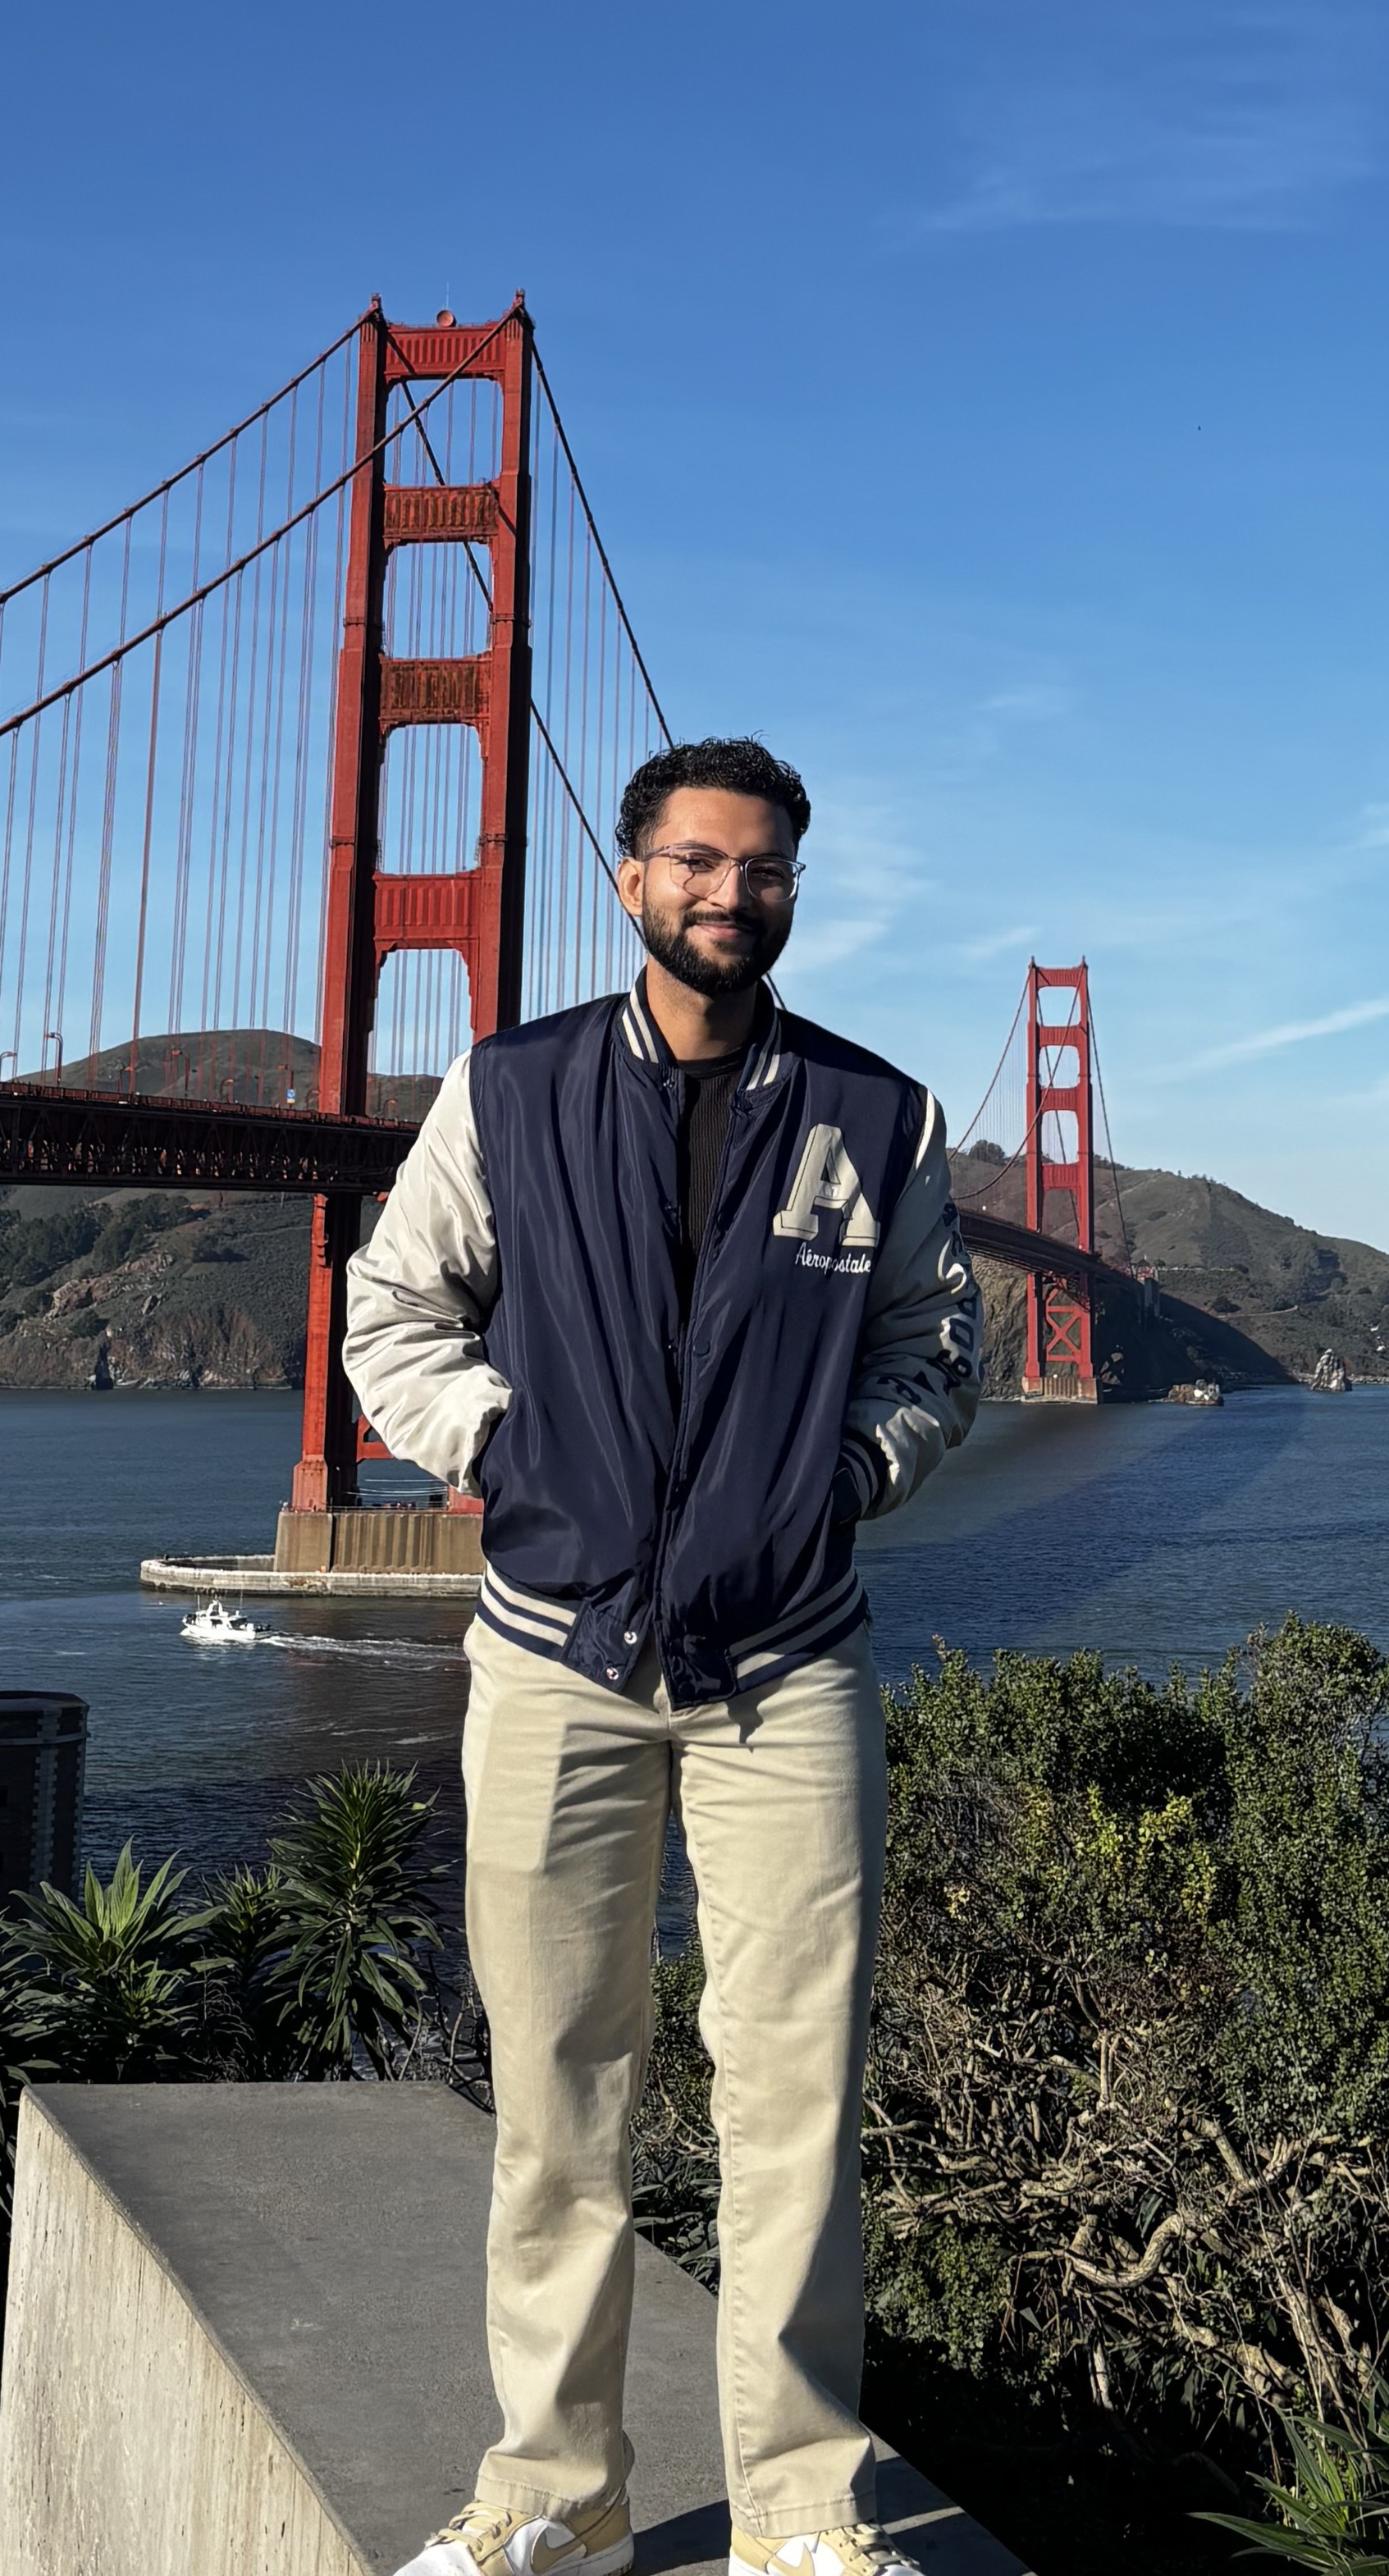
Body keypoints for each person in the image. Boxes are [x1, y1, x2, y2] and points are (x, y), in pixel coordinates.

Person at [344, 737, 983, 2576]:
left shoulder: (880, 1116)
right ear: (629, 880)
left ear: (792, 891)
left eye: (764, 868)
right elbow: (398, 1308)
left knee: (797, 2098)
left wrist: (853, 1475)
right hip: (555, 1654)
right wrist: (503, 1449)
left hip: (788, 1661)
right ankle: (555, 2497)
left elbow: (935, 1347)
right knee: (556, 2092)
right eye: (697, 862)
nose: (732, 893)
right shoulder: (512, 1087)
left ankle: (798, 2515)